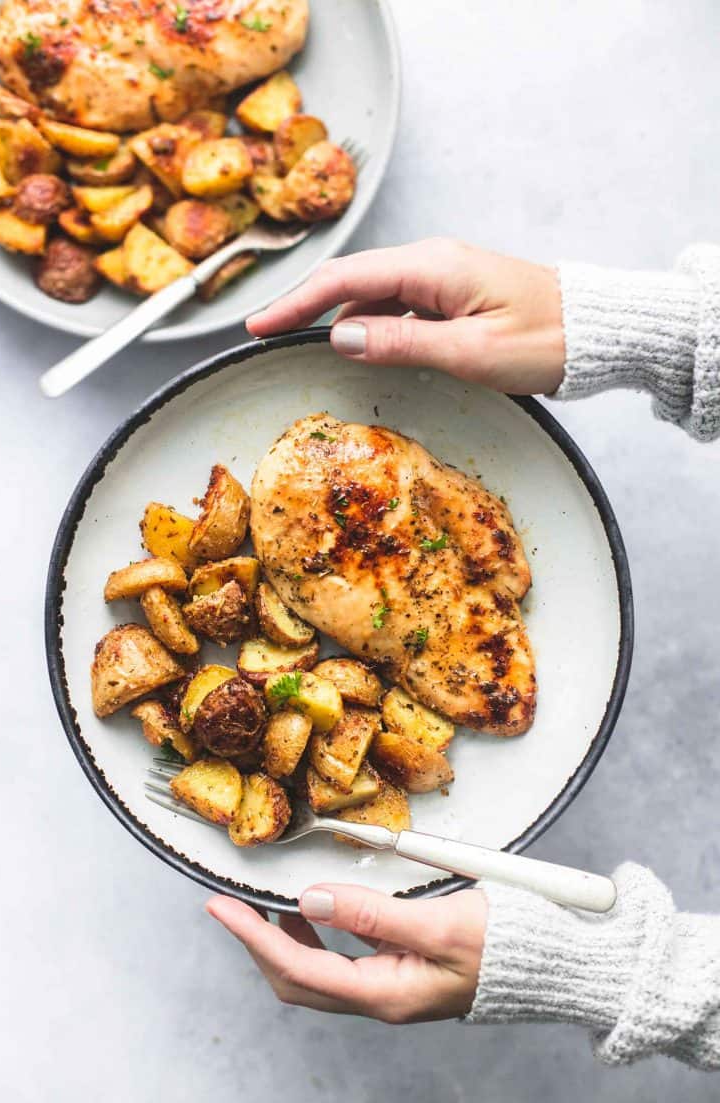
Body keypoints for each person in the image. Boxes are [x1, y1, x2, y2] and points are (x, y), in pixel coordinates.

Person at [206, 239, 720, 1068]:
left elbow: (488, 549)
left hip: (410, 575)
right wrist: (662, 330)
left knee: (488, 665)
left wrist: (609, 975)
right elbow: (490, 537)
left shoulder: (482, 672)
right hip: (367, 516)